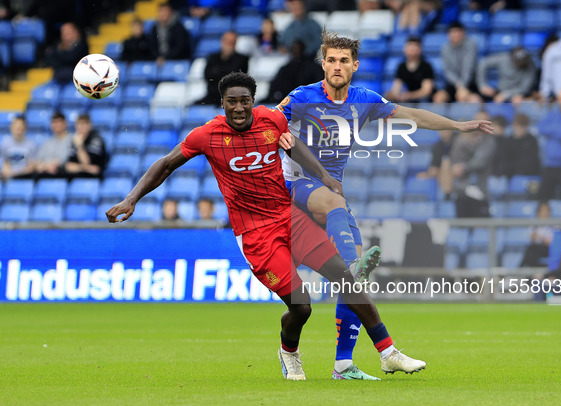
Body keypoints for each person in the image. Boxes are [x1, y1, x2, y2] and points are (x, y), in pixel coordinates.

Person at [106, 71, 427, 380]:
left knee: (345, 277)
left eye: (245, 101)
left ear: (253, 100)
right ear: (222, 103)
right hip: (256, 235)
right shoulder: (206, 135)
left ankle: (388, 353)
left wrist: (323, 175)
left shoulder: (271, 120)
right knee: (302, 307)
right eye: (232, 101)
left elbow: (293, 146)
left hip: (290, 218)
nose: (239, 108)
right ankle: (289, 352)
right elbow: (164, 164)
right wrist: (132, 198)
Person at [277, 29, 492, 379]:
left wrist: (457, 125)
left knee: (354, 279)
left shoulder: (364, 100)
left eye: (343, 61)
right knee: (349, 255)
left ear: (354, 66)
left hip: (331, 190)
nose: (336, 66)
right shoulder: (300, 97)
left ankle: (343, 365)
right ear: (323, 63)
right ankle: (352, 271)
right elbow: (267, 123)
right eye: (330, 60)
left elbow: (414, 116)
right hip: (295, 185)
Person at [449, 111, 495, 218]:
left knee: (481, 227)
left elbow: (479, 161)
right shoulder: (462, 139)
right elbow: (454, 158)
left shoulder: (489, 141)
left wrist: (463, 167)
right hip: (461, 191)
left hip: (480, 192)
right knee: (461, 227)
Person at [263, 40, 323, 104]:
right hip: (289, 101)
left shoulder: (313, 67)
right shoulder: (286, 68)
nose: (295, 51)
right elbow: (275, 84)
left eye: (297, 48)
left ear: (303, 50)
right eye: (293, 48)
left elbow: (320, 84)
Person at [433, 21, 480, 103]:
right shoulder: (445, 48)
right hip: (453, 84)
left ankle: (463, 116)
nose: (455, 34)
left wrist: (462, 86)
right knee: (438, 97)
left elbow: (468, 68)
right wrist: (459, 85)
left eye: (458, 31)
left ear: (463, 33)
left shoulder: (471, 45)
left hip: (470, 83)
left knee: (469, 99)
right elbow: (448, 71)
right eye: (453, 32)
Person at [198, 31, 249, 105]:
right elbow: (207, 76)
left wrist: (217, 71)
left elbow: (235, 78)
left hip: (233, 97)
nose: (229, 44)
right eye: (227, 41)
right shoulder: (212, 58)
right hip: (212, 96)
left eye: (231, 42)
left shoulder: (242, 59)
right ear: (222, 41)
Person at [385, 36, 435, 103]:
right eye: (409, 47)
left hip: (425, 100)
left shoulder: (426, 66)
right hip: (409, 99)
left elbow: (426, 91)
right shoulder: (401, 67)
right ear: (405, 49)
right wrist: (394, 95)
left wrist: (409, 95)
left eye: (414, 47)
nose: (411, 50)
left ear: (419, 50)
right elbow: (396, 88)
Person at [63, 114, 107, 179]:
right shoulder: (75, 140)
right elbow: (68, 166)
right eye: (79, 124)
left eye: (83, 124)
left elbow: (86, 162)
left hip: (93, 179)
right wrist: (86, 168)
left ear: (90, 125)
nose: (80, 127)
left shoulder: (96, 140)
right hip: (76, 178)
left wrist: (79, 146)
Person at [416, 129, 457, 200]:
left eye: (445, 130)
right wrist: (428, 174)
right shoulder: (438, 145)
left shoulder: (458, 141)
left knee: (446, 163)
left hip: (461, 170)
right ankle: (447, 195)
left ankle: (448, 194)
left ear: (450, 130)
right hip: (445, 174)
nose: (443, 133)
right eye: (440, 130)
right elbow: (434, 168)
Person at [35, 111, 72, 178]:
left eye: (58, 122)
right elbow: (39, 159)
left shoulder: (72, 140)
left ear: (65, 123)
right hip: (45, 172)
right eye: (53, 122)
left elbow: (67, 158)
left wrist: (53, 165)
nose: (55, 125)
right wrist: (44, 166)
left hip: (62, 172)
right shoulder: (47, 142)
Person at [503, 113, 540, 179]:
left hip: (529, 175)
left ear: (526, 127)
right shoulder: (508, 141)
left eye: (522, 126)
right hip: (511, 176)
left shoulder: (532, 140)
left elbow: (533, 160)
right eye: (517, 126)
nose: (519, 129)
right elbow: (505, 161)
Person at [1, 116, 36, 180]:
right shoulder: (5, 144)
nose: (18, 131)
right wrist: (8, 173)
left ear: (25, 128)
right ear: (11, 128)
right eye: (16, 128)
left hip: (25, 178)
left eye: (20, 128)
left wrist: (16, 174)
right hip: (9, 178)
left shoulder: (31, 145)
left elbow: (32, 166)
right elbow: (4, 163)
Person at [520, 201, 553, 268]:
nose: (544, 213)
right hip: (536, 248)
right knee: (531, 251)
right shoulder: (535, 224)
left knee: (531, 250)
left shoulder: (553, 225)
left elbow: (549, 242)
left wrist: (540, 237)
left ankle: (519, 271)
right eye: (542, 211)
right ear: (538, 212)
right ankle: (531, 273)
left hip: (548, 249)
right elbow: (532, 237)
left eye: (546, 211)